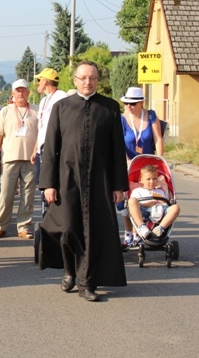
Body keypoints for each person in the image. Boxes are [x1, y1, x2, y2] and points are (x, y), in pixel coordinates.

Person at [39, 61, 128, 302]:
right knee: (67, 229)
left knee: (93, 231)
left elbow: (117, 149)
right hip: (66, 178)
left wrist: (120, 185)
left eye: (93, 78)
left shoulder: (109, 107)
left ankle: (87, 282)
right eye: (83, 78)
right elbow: (50, 148)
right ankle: (69, 270)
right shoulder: (61, 107)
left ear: (98, 81)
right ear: (75, 80)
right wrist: (49, 183)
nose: (88, 82)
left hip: (100, 180)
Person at [0, 79, 38, 239]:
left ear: (28, 92)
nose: (20, 93)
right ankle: (1, 226)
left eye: (23, 90)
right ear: (12, 93)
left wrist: (36, 153)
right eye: (17, 90)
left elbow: (41, 135)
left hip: (30, 158)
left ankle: (24, 227)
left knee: (28, 195)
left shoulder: (36, 111)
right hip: (9, 158)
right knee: (5, 194)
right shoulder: (5, 111)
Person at [120, 87, 165, 245]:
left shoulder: (151, 116)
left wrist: (159, 161)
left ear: (141, 103)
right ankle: (128, 233)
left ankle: (143, 230)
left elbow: (158, 139)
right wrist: (126, 162)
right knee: (126, 199)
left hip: (148, 164)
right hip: (129, 163)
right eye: (126, 103)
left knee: (149, 196)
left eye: (132, 103)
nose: (128, 106)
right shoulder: (122, 119)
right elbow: (119, 144)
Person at [31, 68, 68, 183]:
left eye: (39, 80)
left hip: (54, 148)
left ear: (46, 81)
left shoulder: (62, 97)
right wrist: (35, 149)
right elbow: (41, 127)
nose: (37, 83)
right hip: (41, 149)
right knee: (42, 183)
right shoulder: (44, 100)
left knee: (52, 182)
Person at [128, 164, 180, 239]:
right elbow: (135, 205)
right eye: (148, 179)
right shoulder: (138, 191)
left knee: (175, 207)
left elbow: (165, 204)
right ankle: (141, 226)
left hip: (159, 210)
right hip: (143, 211)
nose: (152, 181)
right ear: (141, 179)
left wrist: (163, 203)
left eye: (154, 178)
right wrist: (147, 204)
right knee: (132, 201)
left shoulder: (160, 191)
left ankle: (160, 228)